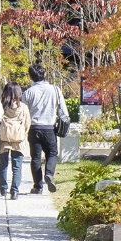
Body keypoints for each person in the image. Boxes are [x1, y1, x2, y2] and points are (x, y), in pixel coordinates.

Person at [22, 63, 71, 194]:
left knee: (35, 158)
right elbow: (64, 112)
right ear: (44, 75)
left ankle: (38, 187)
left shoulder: (27, 92)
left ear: (30, 77)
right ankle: (49, 174)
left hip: (34, 128)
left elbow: (23, 112)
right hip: (50, 127)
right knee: (52, 153)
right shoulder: (55, 90)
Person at [0, 84, 31, 202]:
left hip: (4, 139)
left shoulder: (2, 106)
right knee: (17, 166)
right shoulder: (23, 107)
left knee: (3, 165)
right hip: (18, 140)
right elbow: (27, 124)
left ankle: (3, 188)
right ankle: (14, 190)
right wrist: (23, 134)